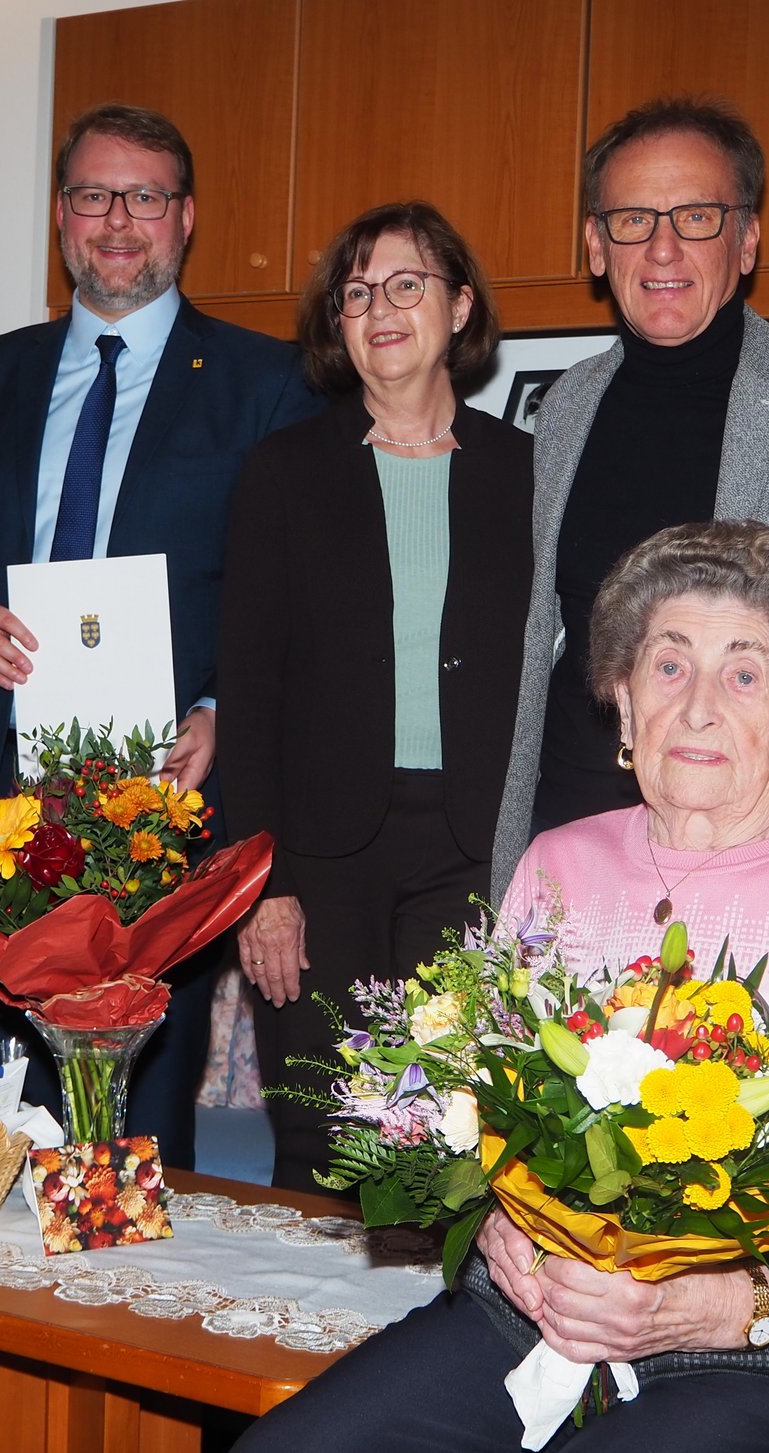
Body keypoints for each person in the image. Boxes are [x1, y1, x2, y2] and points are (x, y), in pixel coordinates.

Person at [237, 521, 769, 1453]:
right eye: (669, 666)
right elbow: (460, 1117)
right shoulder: (559, 865)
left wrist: (719, 1302)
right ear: (624, 705)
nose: (701, 706)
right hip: (529, 1325)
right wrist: (492, 1233)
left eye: (746, 672)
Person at [0, 102, 320, 1172]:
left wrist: (225, 709)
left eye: (144, 197)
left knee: (134, 1116)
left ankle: (113, 1314)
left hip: (162, 799)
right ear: (60, 215)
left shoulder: (265, 381)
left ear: (185, 219)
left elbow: (285, 592)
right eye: (93, 195)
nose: (117, 220)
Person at [492, 98, 769, 893]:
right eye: (634, 219)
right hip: (576, 820)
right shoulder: (568, 406)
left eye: (698, 215)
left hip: (750, 828)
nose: (664, 246)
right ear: (595, 244)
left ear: (747, 239)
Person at [219, 202, 531, 1191]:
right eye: (356, 293)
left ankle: (430, 1345)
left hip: (470, 850)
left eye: (406, 284)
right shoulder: (283, 472)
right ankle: (300, 1350)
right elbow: (249, 684)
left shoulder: (525, 472)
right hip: (317, 859)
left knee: (445, 1133)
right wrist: (260, 883)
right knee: (320, 1134)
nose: (380, 308)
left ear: (459, 306)